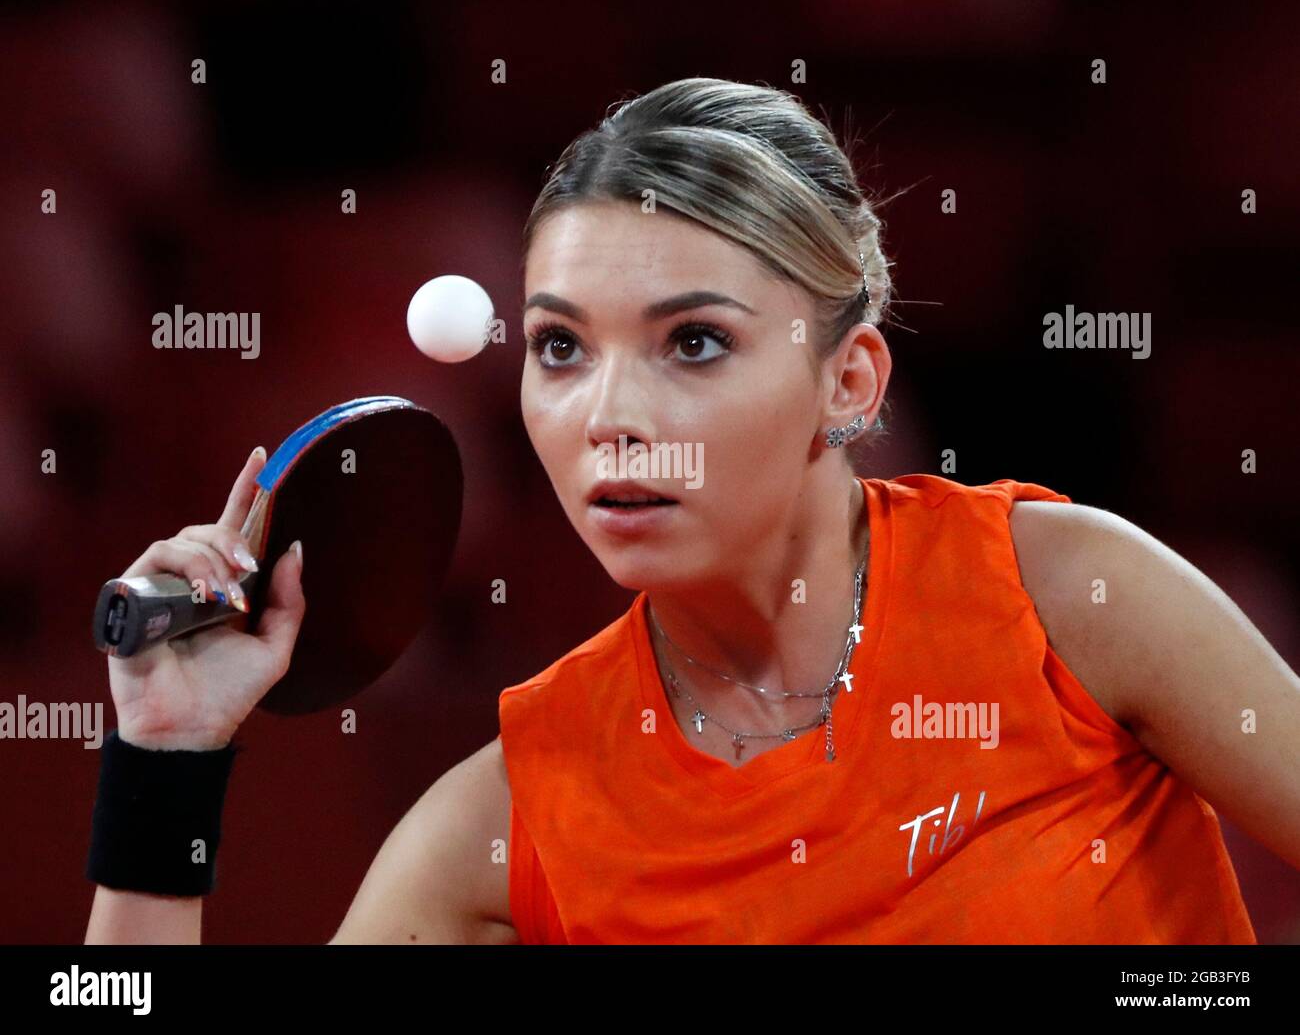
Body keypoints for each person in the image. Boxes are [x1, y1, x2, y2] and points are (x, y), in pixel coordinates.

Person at [85, 78, 1300, 946]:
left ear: (849, 379)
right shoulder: (514, 814)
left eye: (694, 340)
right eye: (560, 346)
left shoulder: (1066, 593)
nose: (610, 410)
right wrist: (164, 768)